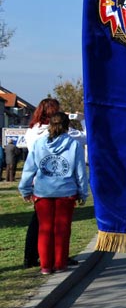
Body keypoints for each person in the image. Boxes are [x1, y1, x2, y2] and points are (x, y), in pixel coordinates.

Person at [19, 112, 88, 275]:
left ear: (50, 125)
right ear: (67, 127)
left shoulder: (38, 144)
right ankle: (60, 263)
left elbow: (29, 168)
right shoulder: (74, 144)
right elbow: (80, 171)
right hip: (66, 191)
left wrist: (25, 189)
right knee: (62, 229)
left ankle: (45, 266)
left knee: (45, 229)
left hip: (43, 192)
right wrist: (82, 192)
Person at [20, 98, 64, 268]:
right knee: (55, 222)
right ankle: (55, 255)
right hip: (56, 178)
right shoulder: (55, 132)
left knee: (39, 220)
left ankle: (30, 256)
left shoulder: (31, 131)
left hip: (39, 178)